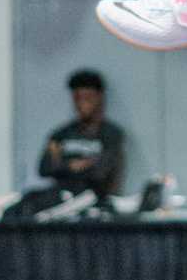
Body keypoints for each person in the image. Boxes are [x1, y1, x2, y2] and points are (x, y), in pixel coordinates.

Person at [34, 69, 126, 200]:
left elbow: (101, 173)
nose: (82, 103)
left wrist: (62, 165)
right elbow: (45, 168)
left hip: (98, 201)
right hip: (61, 200)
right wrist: (76, 165)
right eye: (77, 98)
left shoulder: (112, 134)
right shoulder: (60, 134)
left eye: (88, 97)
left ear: (99, 97)